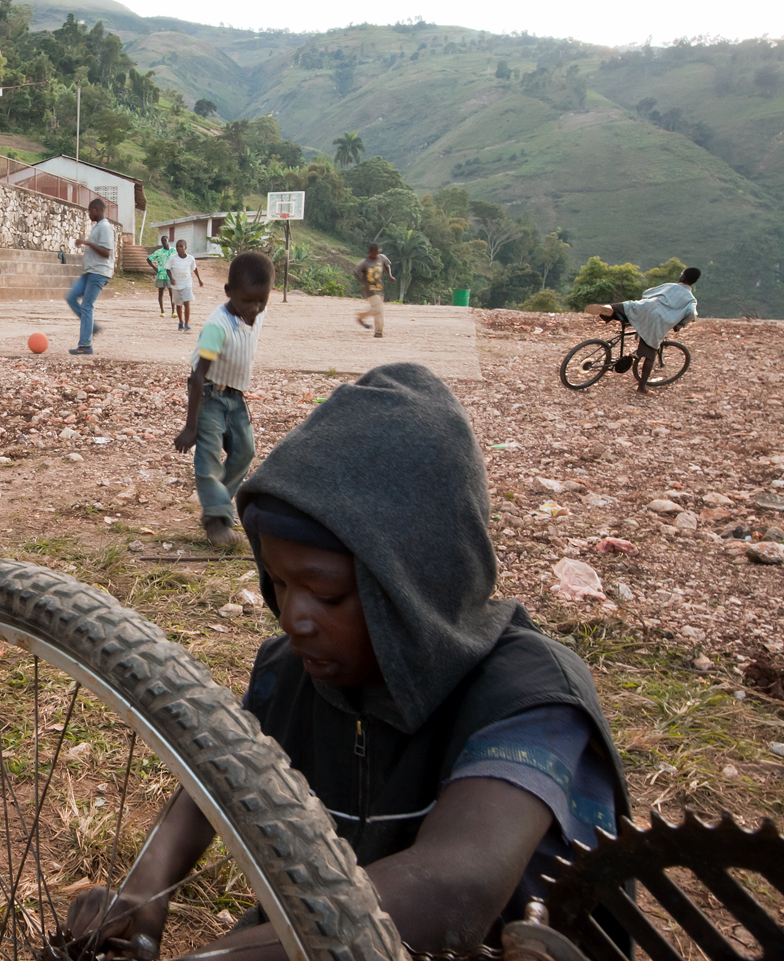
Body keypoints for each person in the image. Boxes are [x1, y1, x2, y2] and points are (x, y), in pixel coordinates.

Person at [74, 361, 631, 958]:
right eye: (279, 584)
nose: (293, 618)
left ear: (415, 585)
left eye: (329, 594)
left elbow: (454, 889)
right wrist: (146, 886)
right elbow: (214, 779)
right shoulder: (291, 675)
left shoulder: (530, 698)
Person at [173, 251, 270, 548]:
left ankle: (218, 506)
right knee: (209, 456)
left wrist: (256, 305)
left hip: (235, 395)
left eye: (261, 301)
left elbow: (255, 308)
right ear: (229, 292)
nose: (253, 308)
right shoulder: (218, 325)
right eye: (246, 301)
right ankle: (216, 520)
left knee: (244, 453)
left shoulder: (256, 309)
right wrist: (190, 427)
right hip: (208, 395)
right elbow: (198, 376)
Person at [583, 267, 699, 393]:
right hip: (657, 322)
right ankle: (641, 387)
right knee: (650, 355)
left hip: (646, 308)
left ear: (683, 277)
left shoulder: (670, 286)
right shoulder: (691, 299)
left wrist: (647, 302)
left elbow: (647, 293)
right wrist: (679, 326)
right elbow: (692, 313)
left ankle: (609, 309)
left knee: (628, 307)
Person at [65, 199, 116, 355]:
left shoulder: (105, 228)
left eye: (89, 211)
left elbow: (106, 252)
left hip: (99, 272)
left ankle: (85, 345)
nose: (88, 214)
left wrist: (87, 243)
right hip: (89, 272)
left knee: (87, 306)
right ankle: (92, 327)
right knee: (71, 297)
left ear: (96, 209)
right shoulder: (98, 227)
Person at [352, 243, 395, 338]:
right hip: (369, 289)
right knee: (379, 309)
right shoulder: (364, 263)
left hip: (379, 287)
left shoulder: (382, 258)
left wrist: (390, 276)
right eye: (374, 253)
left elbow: (387, 265)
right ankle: (379, 331)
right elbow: (355, 272)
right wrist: (363, 282)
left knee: (378, 309)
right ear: (369, 252)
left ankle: (361, 317)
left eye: (377, 253)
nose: (376, 255)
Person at [168, 239, 202, 332]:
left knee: (187, 303)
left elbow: (194, 269)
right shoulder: (172, 258)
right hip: (176, 284)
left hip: (187, 283)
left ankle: (187, 324)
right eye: (177, 246)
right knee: (178, 305)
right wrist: (171, 279)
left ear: (185, 248)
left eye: (181, 246)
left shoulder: (190, 258)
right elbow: (168, 269)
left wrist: (199, 280)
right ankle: (180, 322)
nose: (179, 248)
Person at [147, 235, 175, 318]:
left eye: (165, 240)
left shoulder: (174, 251)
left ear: (168, 240)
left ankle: (173, 311)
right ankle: (162, 311)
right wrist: (154, 268)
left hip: (171, 275)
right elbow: (149, 259)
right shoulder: (159, 252)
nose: (164, 242)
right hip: (161, 275)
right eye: (162, 241)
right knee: (160, 293)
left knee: (172, 293)